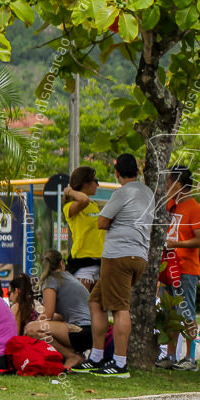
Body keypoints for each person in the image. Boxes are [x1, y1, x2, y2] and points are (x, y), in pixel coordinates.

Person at [76, 153, 154, 378]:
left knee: (120, 308)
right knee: (96, 302)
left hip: (119, 256)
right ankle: (97, 357)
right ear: (138, 171)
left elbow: (102, 222)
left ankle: (120, 364)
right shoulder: (147, 192)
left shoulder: (122, 192)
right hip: (138, 256)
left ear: (117, 173)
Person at [155, 165, 200, 372]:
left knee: (186, 312)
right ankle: (170, 354)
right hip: (168, 267)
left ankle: (190, 357)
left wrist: (175, 244)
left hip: (186, 269)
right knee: (169, 312)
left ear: (178, 184)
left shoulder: (196, 209)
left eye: (168, 181)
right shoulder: (171, 206)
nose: (166, 186)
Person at [24, 250, 92, 370]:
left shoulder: (51, 280)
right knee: (39, 326)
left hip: (81, 331)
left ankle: (71, 356)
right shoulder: (70, 278)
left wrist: (35, 322)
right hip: (90, 332)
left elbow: (48, 314)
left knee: (31, 329)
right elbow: (60, 316)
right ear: (62, 263)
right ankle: (76, 355)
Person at [63, 166, 105, 290]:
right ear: (85, 183)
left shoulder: (93, 205)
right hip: (83, 263)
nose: (97, 185)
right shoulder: (70, 207)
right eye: (95, 181)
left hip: (98, 262)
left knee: (96, 307)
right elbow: (84, 200)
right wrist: (69, 191)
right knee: (83, 306)